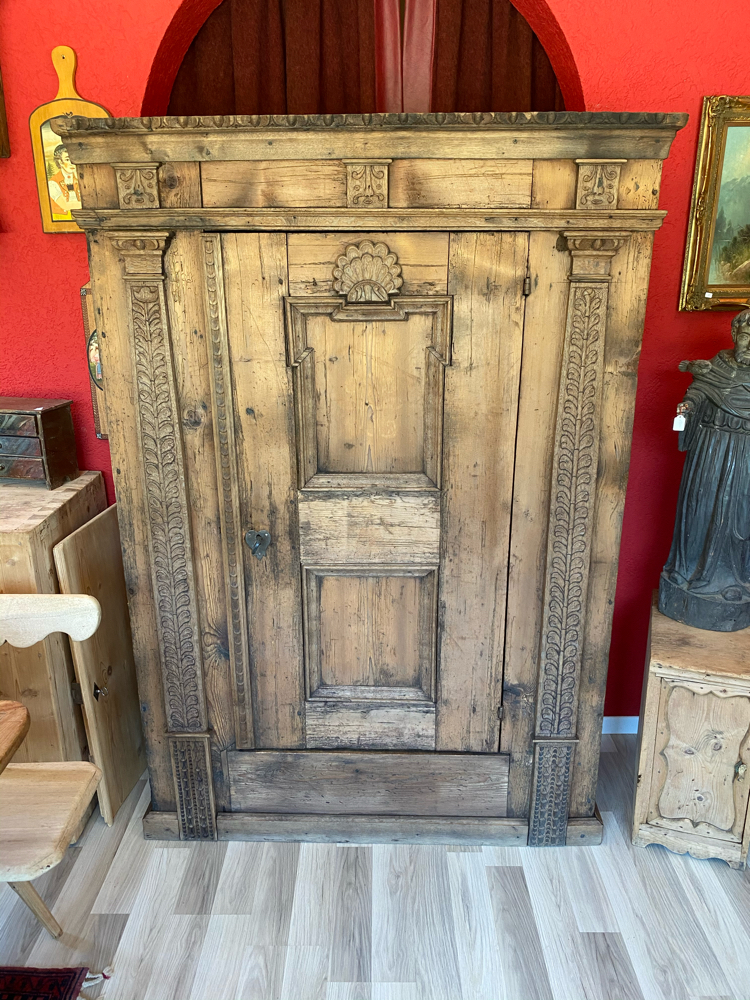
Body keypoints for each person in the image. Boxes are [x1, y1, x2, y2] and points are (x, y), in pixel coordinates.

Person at [659, 308, 750, 631]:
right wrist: (688, 406)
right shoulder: (716, 368)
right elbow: (697, 393)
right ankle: (686, 571)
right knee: (700, 509)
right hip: (710, 451)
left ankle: (730, 581)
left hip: (745, 456)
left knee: (738, 518)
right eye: (746, 337)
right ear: (735, 335)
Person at [47, 144, 81, 219]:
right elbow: (65, 205)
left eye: (73, 158)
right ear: (60, 162)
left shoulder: (79, 178)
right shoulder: (53, 183)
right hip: (62, 218)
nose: (72, 163)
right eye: (67, 159)